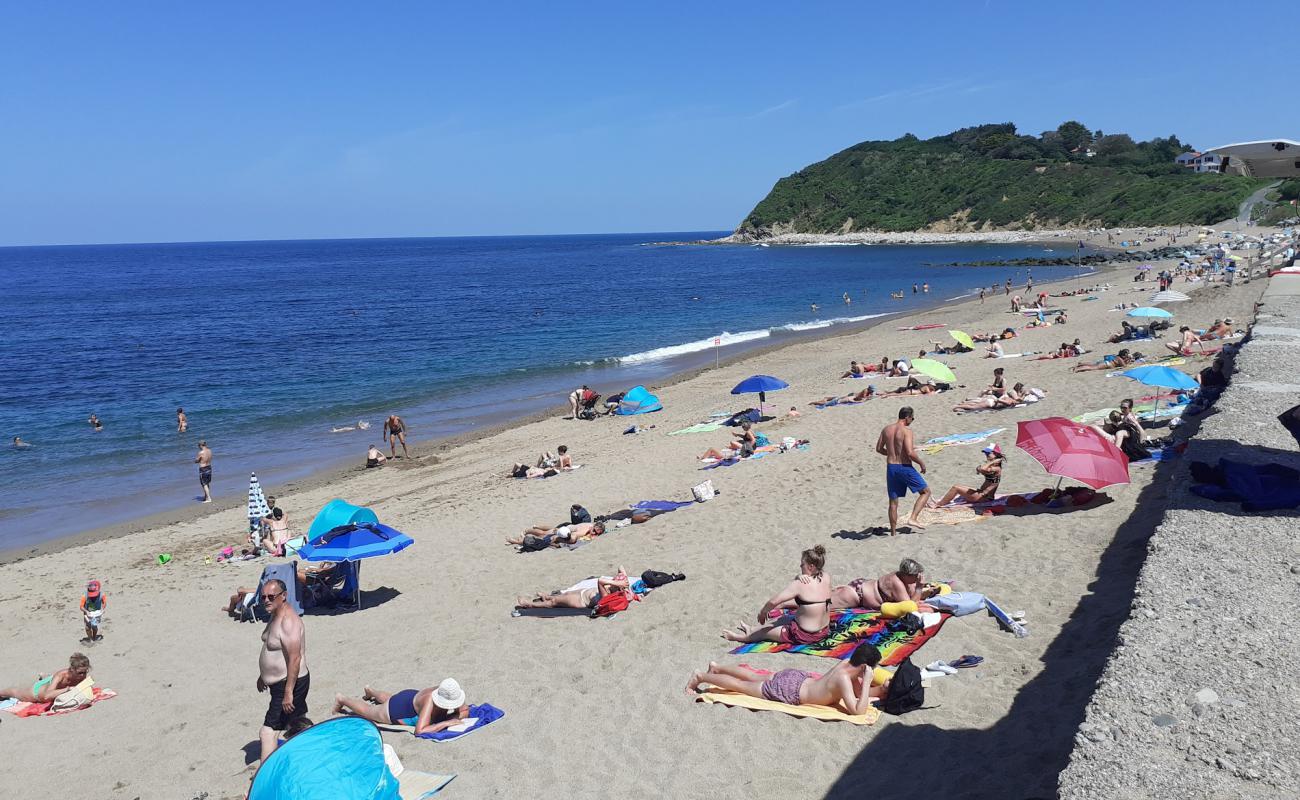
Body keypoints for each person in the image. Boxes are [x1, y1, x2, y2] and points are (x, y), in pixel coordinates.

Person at [686, 641, 885, 711]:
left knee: (752, 675)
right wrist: (868, 680)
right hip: (792, 691)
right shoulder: (843, 680)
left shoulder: (845, 664)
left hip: (797, 678)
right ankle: (701, 676)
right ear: (865, 667)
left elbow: (858, 692)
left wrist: (880, 690)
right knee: (741, 686)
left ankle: (717, 666)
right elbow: (857, 711)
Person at [721, 545, 832, 645]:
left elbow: (774, 601)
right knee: (782, 619)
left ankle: (739, 637)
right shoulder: (826, 577)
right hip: (824, 631)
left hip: (805, 635)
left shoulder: (799, 584)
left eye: (802, 564)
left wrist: (763, 612)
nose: (800, 566)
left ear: (811, 567)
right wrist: (799, 576)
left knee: (764, 633)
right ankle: (752, 629)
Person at [257, 578, 308, 763]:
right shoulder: (275, 614)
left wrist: (288, 692)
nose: (266, 600)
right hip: (280, 682)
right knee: (297, 723)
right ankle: (310, 753)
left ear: (284, 596)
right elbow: (274, 650)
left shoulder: (289, 622)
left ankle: (265, 776)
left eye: (271, 596)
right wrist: (263, 676)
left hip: (290, 683)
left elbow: (295, 659)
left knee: (268, 732)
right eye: (263, 597)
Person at [332, 679, 469, 736]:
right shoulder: (430, 701)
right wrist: (447, 722)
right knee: (369, 711)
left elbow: (464, 710)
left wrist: (457, 716)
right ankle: (342, 699)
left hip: (409, 697)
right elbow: (419, 731)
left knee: (391, 698)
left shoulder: (450, 691)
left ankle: (371, 691)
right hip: (399, 711)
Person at [876, 408, 929, 534]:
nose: (912, 421)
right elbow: (910, 453)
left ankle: (893, 533)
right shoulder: (906, 431)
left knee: (893, 502)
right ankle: (913, 518)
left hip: (891, 468)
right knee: (925, 492)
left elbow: (879, 448)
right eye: (912, 418)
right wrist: (921, 463)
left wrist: (891, 454)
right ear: (907, 417)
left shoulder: (886, 429)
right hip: (904, 466)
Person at [822, 559, 932, 610]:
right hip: (856, 595)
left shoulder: (900, 577)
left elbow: (910, 595)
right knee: (820, 605)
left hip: (860, 587)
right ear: (907, 575)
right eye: (915, 575)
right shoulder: (896, 583)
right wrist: (918, 588)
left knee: (822, 598)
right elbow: (910, 606)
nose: (917, 577)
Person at [0, 653, 92, 704]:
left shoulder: (80, 675)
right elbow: (47, 696)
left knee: (51, 680)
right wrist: (67, 689)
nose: (83, 676)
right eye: (80, 673)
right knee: (14, 692)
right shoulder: (61, 675)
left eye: (85, 672)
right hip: (37, 693)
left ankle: (44, 676)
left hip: (52, 683)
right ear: (72, 669)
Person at [932, 445, 1004, 506]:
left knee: (955, 488)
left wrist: (992, 462)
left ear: (995, 454)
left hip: (984, 497)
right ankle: (942, 502)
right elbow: (979, 469)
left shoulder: (996, 468)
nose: (986, 455)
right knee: (959, 486)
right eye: (986, 454)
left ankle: (939, 505)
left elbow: (981, 468)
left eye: (988, 454)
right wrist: (983, 467)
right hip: (982, 493)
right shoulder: (993, 467)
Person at [515, 572, 630, 610]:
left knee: (554, 602)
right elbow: (621, 568)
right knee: (564, 594)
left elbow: (600, 581)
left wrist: (618, 583)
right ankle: (547, 597)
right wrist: (623, 579)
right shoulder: (616, 588)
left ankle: (530, 604)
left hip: (581, 601)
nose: (613, 580)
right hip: (583, 592)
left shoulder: (607, 595)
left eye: (615, 581)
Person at [505, 520, 606, 548]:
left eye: (597, 533)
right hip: (566, 530)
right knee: (543, 534)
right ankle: (526, 531)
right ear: (594, 526)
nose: (595, 533)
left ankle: (533, 528)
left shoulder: (590, 526)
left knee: (547, 532)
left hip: (566, 529)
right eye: (595, 530)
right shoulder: (587, 529)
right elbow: (575, 533)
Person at [79, 580, 107, 644]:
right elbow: (81, 606)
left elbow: (104, 603)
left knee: (94, 626)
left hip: (97, 613)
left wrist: (102, 609)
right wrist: (86, 611)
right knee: (87, 627)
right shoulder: (84, 596)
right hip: (88, 613)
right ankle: (90, 638)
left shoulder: (102, 595)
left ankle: (94, 637)